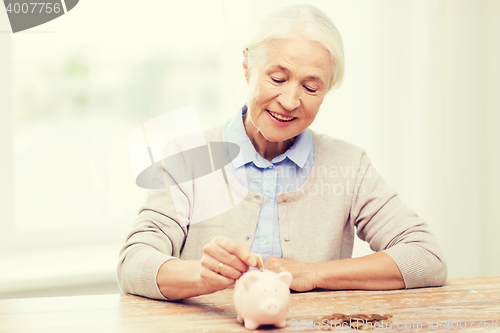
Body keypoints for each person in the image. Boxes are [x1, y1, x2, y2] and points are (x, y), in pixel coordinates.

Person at [117, 4, 447, 301]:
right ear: (247, 66)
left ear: (327, 90)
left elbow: (425, 258)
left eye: (310, 87)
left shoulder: (349, 165)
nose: (289, 101)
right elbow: (134, 262)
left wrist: (312, 273)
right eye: (277, 78)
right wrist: (200, 276)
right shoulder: (190, 156)